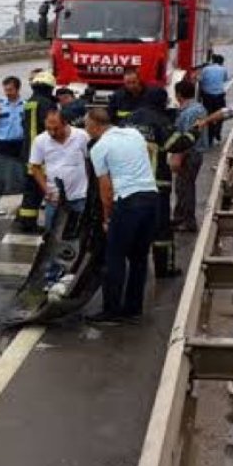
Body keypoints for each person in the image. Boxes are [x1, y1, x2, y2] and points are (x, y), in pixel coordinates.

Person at [84, 107, 159, 322]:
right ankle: (133, 308)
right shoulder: (134, 134)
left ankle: (112, 310)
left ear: (95, 125)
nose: (86, 130)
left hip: (127, 202)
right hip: (151, 198)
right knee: (139, 258)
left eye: (87, 126)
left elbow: (105, 189)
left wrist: (107, 218)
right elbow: (149, 151)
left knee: (114, 257)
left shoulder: (99, 148)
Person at [126, 90, 193, 279]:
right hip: (156, 184)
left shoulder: (130, 119)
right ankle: (164, 269)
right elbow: (176, 144)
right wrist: (193, 134)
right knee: (161, 229)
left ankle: (134, 268)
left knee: (134, 227)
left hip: (130, 184)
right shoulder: (160, 120)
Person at [29, 109, 90, 230]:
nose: (52, 132)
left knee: (80, 232)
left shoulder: (82, 137)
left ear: (65, 123)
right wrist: (46, 189)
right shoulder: (40, 141)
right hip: (55, 198)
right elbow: (35, 167)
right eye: (48, 128)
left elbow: (90, 161)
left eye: (56, 128)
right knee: (51, 233)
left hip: (80, 196)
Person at [13, 71, 57, 232]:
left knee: (30, 189)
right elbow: (52, 127)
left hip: (27, 151)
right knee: (36, 190)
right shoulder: (47, 104)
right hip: (41, 153)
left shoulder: (29, 102)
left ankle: (25, 219)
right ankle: (28, 223)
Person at [171, 79, 210, 232]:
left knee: (185, 188)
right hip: (195, 154)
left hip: (189, 154)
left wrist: (177, 158)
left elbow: (186, 140)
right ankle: (180, 217)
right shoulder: (198, 108)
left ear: (178, 94)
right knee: (184, 187)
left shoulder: (189, 112)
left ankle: (187, 221)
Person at [0, 76, 25, 159]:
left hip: (19, 144)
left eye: (10, 90)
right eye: (5, 90)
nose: (7, 93)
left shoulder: (25, 105)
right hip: (1, 144)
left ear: (18, 89)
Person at [198, 55, 229, 145]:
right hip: (219, 96)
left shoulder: (205, 69)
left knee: (209, 116)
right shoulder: (223, 69)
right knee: (222, 114)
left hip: (207, 96)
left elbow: (201, 80)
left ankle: (210, 137)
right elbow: (225, 80)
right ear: (221, 62)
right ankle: (218, 131)